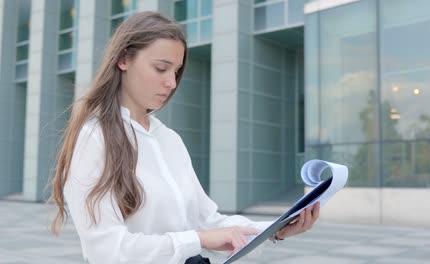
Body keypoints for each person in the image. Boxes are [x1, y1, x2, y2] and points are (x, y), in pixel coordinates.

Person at [50, 11, 320, 264]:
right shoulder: (94, 138)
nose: (172, 82)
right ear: (123, 60)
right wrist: (196, 240)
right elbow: (106, 251)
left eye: (176, 71)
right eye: (161, 68)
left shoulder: (169, 139)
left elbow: (206, 221)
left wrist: (276, 228)